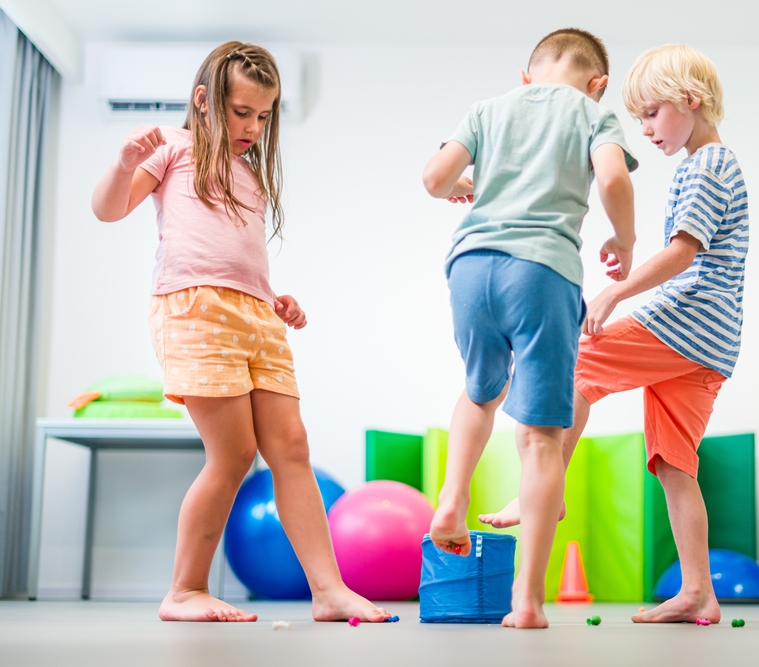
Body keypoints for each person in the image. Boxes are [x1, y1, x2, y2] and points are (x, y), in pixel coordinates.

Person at [91, 41, 390, 624]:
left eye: (264, 115)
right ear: (204, 101)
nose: (253, 127)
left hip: (256, 315)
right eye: (241, 112)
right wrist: (125, 163)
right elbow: (108, 209)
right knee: (232, 453)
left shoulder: (249, 173)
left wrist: (273, 299)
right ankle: (184, 590)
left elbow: (237, 255)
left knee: (292, 447)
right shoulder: (174, 147)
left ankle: (328, 590)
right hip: (195, 310)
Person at [478, 44, 749, 625]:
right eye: (640, 117)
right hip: (715, 340)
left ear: (691, 100)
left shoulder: (705, 166)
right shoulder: (714, 163)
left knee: (577, 361)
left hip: (691, 321)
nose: (645, 129)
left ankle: (545, 492)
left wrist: (614, 292)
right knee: (675, 464)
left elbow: (683, 252)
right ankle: (699, 592)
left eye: (652, 113)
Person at [422, 28, 638, 629]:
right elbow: (614, 181)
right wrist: (624, 239)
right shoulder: (593, 114)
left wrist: (467, 187)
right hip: (542, 270)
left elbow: (435, 179)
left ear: (526, 77)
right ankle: (527, 601)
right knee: (542, 436)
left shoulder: (487, 109)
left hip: (469, 266)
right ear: (597, 84)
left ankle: (452, 498)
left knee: (479, 391)